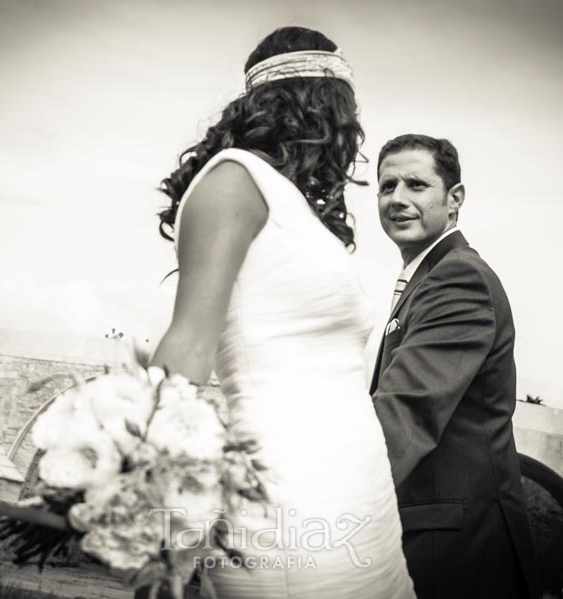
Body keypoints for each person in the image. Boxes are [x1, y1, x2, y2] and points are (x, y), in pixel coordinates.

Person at [150, 26, 415, 599]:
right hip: (287, 497)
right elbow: (188, 346)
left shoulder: (288, 203)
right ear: (323, 103)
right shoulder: (232, 181)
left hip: (359, 497)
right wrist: (166, 519)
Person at [369, 134, 539, 599]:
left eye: (416, 185)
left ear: (455, 198)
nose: (398, 199)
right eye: (386, 187)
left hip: (459, 552)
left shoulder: (459, 277)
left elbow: (405, 414)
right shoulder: (425, 280)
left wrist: (308, 498)